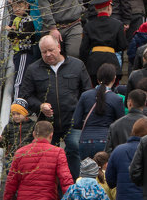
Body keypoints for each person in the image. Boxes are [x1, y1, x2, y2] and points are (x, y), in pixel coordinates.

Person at [18, 35, 92, 177]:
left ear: (59, 47)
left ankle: (74, 185)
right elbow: (25, 96)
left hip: (72, 120)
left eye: (51, 50)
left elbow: (87, 92)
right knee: (46, 157)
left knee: (75, 149)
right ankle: (51, 188)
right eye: (44, 52)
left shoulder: (77, 65)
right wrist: (40, 106)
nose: (48, 54)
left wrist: (82, 115)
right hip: (46, 123)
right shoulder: (33, 69)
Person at [74, 62, 126, 162]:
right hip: (105, 141)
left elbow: (76, 122)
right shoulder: (117, 99)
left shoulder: (85, 95)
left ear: (97, 79)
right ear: (114, 79)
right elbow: (120, 124)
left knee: (86, 172)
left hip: (85, 141)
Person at [80, 0, 127, 87]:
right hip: (112, 62)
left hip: (93, 64)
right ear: (109, 7)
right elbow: (123, 45)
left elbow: (84, 49)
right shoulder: (118, 24)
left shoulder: (89, 26)